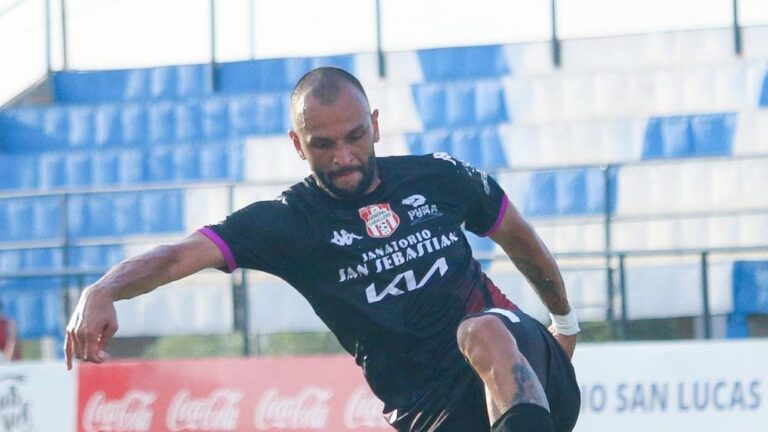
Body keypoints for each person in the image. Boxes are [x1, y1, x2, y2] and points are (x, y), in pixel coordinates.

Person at [65, 67, 580, 432]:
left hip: (522, 367)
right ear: (297, 144)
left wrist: (564, 325)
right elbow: (178, 256)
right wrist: (104, 287)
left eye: (355, 136)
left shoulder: (437, 177)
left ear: (375, 125)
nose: (344, 156)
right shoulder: (289, 223)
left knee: (482, 329)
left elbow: (519, 238)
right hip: (432, 411)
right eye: (323, 145)